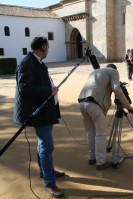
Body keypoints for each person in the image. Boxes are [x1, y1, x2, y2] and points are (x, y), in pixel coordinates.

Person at [13, 35, 65, 198]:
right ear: (42, 47)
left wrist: (51, 89)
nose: (48, 49)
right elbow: (25, 88)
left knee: (43, 144)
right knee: (47, 145)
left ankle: (45, 171)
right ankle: (50, 183)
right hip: (35, 111)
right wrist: (48, 91)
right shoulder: (27, 63)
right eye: (47, 47)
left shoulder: (38, 63)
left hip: (44, 110)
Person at [78, 64, 133, 170]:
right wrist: (127, 105)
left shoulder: (95, 72)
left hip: (82, 101)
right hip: (94, 103)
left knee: (91, 132)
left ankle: (92, 157)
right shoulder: (113, 71)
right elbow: (116, 88)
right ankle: (101, 162)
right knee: (101, 134)